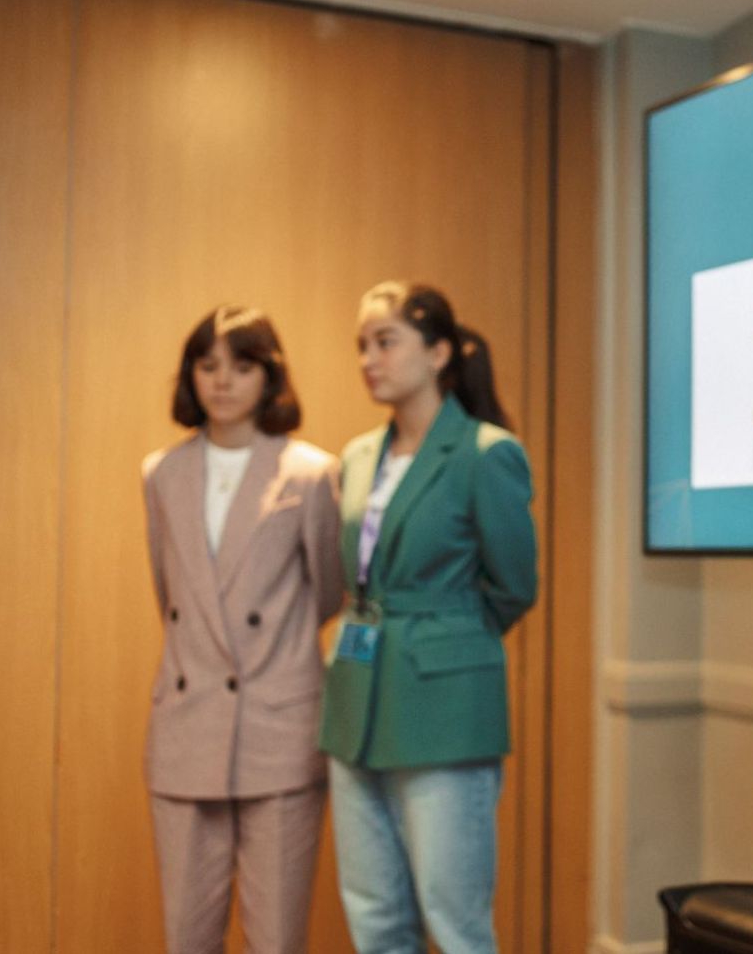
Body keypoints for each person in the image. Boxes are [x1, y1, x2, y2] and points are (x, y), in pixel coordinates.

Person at [319, 282, 538, 954]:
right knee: (374, 916)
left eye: (386, 342)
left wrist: (444, 639)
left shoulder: (485, 452)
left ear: (439, 352)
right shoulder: (358, 455)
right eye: (362, 345)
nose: (369, 359)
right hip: (356, 703)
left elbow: (513, 586)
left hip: (446, 708)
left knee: (454, 919)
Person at [141, 305, 344, 954]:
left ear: (269, 375)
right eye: (207, 365)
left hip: (278, 727)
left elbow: (329, 590)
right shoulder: (161, 473)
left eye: (241, 365)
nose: (222, 380)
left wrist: (275, 653)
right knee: (186, 936)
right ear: (189, 375)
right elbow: (175, 595)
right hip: (187, 722)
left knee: (277, 938)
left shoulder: (311, 472)